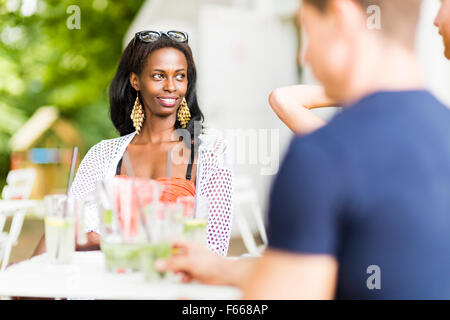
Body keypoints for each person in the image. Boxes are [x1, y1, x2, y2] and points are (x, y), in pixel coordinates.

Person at [157, 0, 450, 299]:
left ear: (341, 17)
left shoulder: (323, 156)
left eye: (308, 31)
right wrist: (226, 269)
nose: (304, 55)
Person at [33, 31, 233, 257]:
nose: (171, 86)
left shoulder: (208, 154)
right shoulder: (103, 155)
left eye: (180, 76)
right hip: (104, 284)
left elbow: (213, 251)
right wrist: (27, 276)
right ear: (135, 80)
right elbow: (65, 226)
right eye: (158, 76)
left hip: (173, 287)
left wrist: (104, 241)